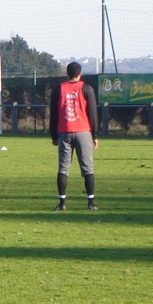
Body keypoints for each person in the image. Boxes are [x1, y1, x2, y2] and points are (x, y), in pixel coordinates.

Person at [49, 62, 99, 211]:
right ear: (80, 73)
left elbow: (53, 114)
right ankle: (90, 203)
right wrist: (95, 135)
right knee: (87, 167)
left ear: (67, 74)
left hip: (64, 132)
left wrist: (53, 134)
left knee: (63, 168)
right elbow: (92, 114)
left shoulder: (58, 89)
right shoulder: (86, 89)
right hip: (83, 131)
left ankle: (62, 203)